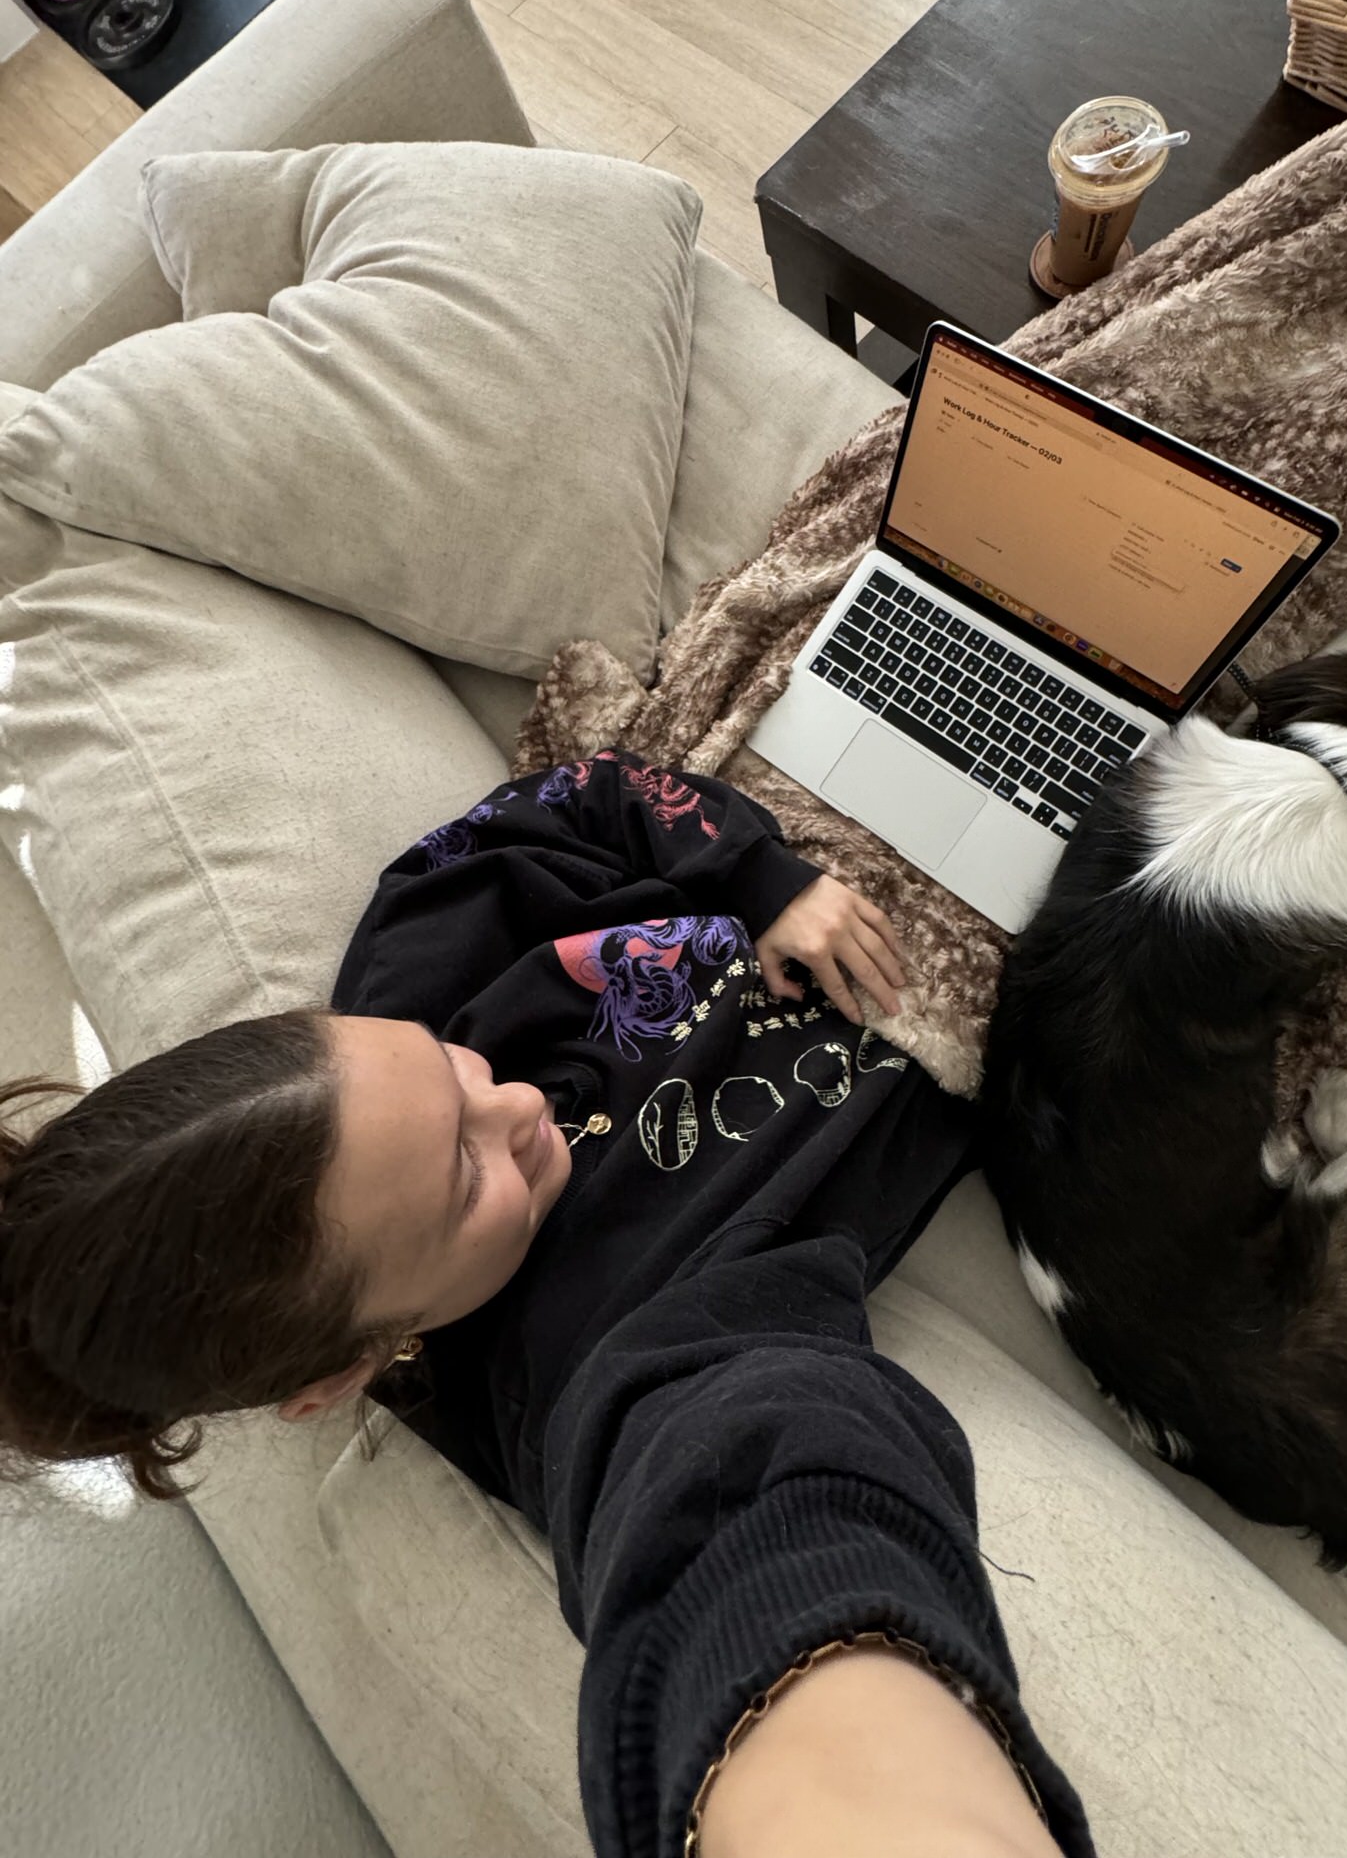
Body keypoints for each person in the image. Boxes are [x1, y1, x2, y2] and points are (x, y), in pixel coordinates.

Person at [0, 751, 1091, 1858]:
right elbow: (729, 1480)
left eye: (446, 1069)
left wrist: (763, 880)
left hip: (852, 792)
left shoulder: (408, 968)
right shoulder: (579, 1375)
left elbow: (585, 789)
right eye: (465, 1182)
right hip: (1067, 948)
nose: (517, 1105)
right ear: (350, 1370)